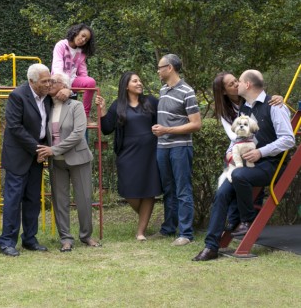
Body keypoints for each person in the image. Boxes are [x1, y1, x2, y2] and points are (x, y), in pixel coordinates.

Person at [193, 69, 295, 261]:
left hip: (272, 164)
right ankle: (211, 246)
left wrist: (260, 152)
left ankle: (246, 220)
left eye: (239, 81)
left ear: (247, 85)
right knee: (222, 192)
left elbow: (288, 140)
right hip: (249, 164)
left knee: (239, 176)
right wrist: (232, 153)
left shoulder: (275, 105)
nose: (237, 84)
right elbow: (239, 138)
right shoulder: (244, 109)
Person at [36, 73, 100, 252]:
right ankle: (65, 238)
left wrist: (53, 149)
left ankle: (86, 236)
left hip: (78, 158)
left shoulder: (76, 106)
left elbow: (78, 134)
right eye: (47, 81)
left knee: (84, 198)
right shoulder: (45, 106)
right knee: (59, 201)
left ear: (63, 85)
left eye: (53, 82)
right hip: (57, 163)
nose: (49, 84)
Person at [213, 72, 284, 231]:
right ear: (224, 91)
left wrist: (280, 99)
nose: (237, 84)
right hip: (237, 148)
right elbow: (233, 135)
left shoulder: (251, 99)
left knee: (252, 187)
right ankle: (234, 222)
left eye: (237, 81)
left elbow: (265, 99)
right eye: (231, 84)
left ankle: (250, 224)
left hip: (256, 151)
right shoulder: (226, 110)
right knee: (232, 184)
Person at [96, 72, 161, 241]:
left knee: (149, 190)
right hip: (127, 154)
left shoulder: (151, 101)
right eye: (135, 81)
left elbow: (162, 120)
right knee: (129, 191)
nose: (139, 83)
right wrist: (103, 111)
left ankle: (141, 231)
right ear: (126, 85)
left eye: (140, 80)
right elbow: (107, 129)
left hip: (150, 152)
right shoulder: (118, 105)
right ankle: (144, 218)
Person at [0, 63, 52, 257]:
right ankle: (7, 242)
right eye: (44, 81)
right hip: (19, 156)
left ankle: (30, 239)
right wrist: (38, 148)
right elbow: (14, 127)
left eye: (49, 80)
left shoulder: (48, 97)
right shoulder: (18, 96)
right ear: (32, 81)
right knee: (13, 200)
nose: (48, 84)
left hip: (36, 158)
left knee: (33, 200)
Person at [151, 54, 201, 246]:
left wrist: (167, 130)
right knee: (168, 190)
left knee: (183, 190)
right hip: (162, 147)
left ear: (169, 68)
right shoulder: (163, 90)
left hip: (180, 147)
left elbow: (196, 124)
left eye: (160, 67)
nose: (158, 70)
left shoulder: (187, 91)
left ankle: (186, 234)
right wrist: (161, 130)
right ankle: (168, 229)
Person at [52, 23, 97, 125]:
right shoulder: (61, 45)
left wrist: (84, 82)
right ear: (76, 32)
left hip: (72, 81)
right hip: (59, 80)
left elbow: (82, 71)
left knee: (91, 82)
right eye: (83, 35)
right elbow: (57, 67)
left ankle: (85, 116)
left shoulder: (81, 52)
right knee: (61, 120)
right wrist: (64, 85)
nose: (83, 40)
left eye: (86, 40)